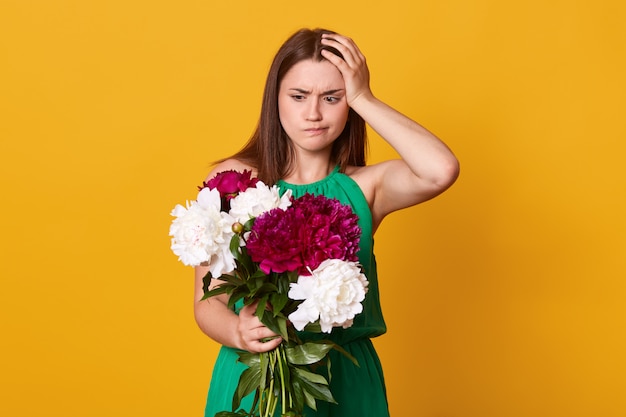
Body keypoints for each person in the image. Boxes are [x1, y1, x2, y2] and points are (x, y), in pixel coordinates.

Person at [193, 28, 459, 417]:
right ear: (275, 100)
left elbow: (441, 169)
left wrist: (364, 97)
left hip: (346, 381)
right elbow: (208, 301)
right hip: (256, 376)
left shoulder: (365, 187)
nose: (314, 113)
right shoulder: (235, 180)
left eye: (331, 98)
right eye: (298, 96)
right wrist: (237, 332)